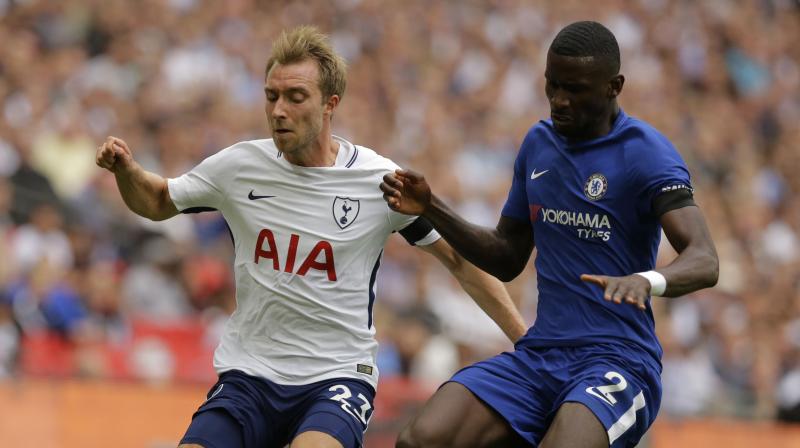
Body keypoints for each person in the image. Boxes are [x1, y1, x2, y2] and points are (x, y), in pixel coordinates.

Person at [95, 26, 526, 448]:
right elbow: (157, 201)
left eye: (295, 97)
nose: (279, 110)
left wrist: (525, 340)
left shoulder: (379, 181)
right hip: (249, 376)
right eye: (272, 96)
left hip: (336, 380)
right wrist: (128, 172)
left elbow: (459, 260)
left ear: (329, 104)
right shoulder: (239, 166)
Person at [382, 21, 719, 448]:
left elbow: (706, 259)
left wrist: (646, 281)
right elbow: (507, 257)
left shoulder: (647, 154)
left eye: (575, 90)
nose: (559, 101)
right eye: (552, 85)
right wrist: (433, 208)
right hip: (541, 357)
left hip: (617, 362)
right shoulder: (539, 144)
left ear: (614, 86)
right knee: (421, 439)